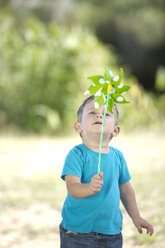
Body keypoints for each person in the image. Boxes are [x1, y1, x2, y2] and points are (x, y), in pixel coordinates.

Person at [59, 95, 154, 248]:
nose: (98, 115)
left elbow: (125, 189)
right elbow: (72, 188)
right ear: (78, 127)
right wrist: (89, 188)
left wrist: (136, 217)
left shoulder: (118, 156)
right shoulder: (76, 154)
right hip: (77, 233)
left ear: (115, 130)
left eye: (106, 114)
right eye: (92, 112)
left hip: (111, 233)